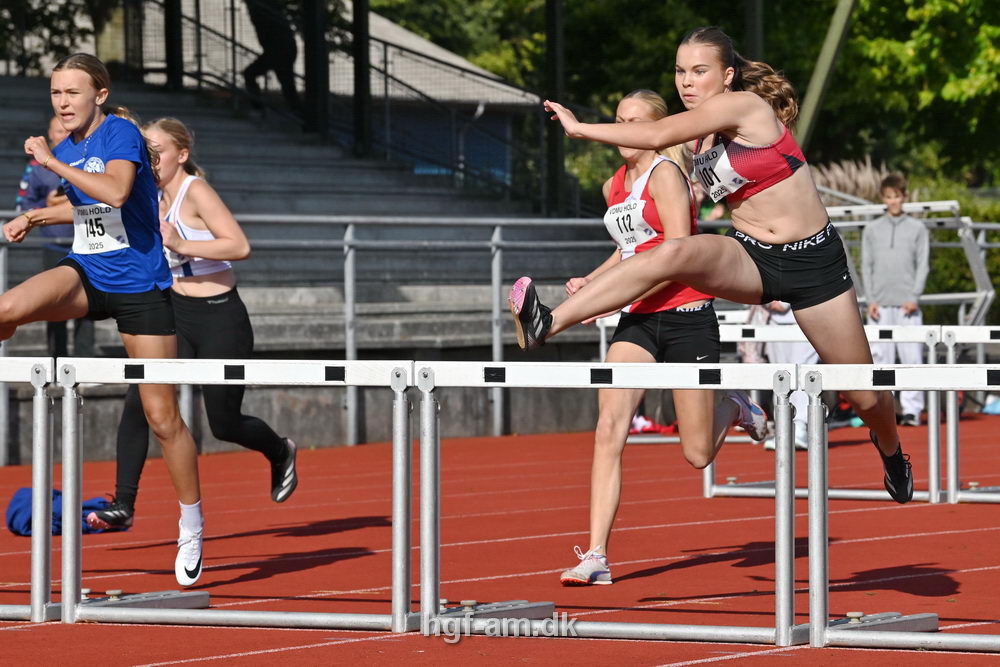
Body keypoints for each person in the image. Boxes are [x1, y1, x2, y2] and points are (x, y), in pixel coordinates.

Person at [508, 26, 913, 503]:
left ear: (726, 75)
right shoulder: (699, 136)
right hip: (752, 256)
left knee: (865, 396)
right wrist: (599, 280)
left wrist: (578, 129)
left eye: (699, 71)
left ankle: (890, 450)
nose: (687, 81)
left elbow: (656, 132)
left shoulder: (744, 107)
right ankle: (545, 322)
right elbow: (653, 159)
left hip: (813, 263)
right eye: (680, 71)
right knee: (673, 252)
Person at [2, 53, 206, 585]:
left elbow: (115, 191)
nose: (62, 102)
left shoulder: (119, 132)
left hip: (141, 287)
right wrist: (35, 213)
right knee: (6, 309)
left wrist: (50, 164)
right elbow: (89, 208)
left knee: (162, 418)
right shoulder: (69, 148)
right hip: (88, 273)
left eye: (72, 92)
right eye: (55, 94)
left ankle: (191, 522)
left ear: (99, 94)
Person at [558, 90, 766, 586]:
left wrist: (606, 298)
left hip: (686, 315)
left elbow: (675, 256)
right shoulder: (614, 184)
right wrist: (594, 281)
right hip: (638, 320)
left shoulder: (666, 175)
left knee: (696, 454)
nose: (623, 129)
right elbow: (631, 251)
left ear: (654, 129)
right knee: (609, 429)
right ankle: (596, 555)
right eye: (618, 119)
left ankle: (734, 407)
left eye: (633, 121)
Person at [87, 117, 298, 532]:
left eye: (157, 152)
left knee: (224, 423)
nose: (150, 160)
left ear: (181, 155)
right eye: (144, 153)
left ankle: (279, 450)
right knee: (140, 401)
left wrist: (182, 243)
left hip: (220, 315)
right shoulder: (145, 197)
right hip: (174, 315)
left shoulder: (194, 190)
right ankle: (123, 504)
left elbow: (239, 245)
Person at [14, 115, 95, 357]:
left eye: (65, 131)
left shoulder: (86, 161)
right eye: (57, 132)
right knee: (54, 305)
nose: (62, 136)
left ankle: (85, 363)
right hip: (54, 246)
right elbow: (23, 205)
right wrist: (48, 206)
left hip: (87, 244)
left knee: (90, 306)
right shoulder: (36, 169)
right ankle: (56, 361)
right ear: (49, 136)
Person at [862, 173, 929, 427]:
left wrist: (914, 296)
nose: (893, 202)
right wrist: (871, 300)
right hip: (879, 305)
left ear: (904, 197)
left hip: (907, 305)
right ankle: (885, 410)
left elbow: (923, 264)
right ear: (883, 198)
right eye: (889, 197)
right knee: (881, 360)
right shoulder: (872, 229)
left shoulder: (917, 229)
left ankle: (912, 410)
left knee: (912, 358)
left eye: (897, 197)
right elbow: (866, 267)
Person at [762, 300, 816, 450]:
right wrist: (767, 301)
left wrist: (784, 303)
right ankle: (783, 428)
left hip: (807, 314)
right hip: (774, 319)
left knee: (801, 371)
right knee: (780, 375)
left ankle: (800, 427)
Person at [243, 0, 303, 116]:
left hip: (278, 50)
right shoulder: (267, 8)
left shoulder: (261, 9)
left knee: (249, 74)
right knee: (288, 87)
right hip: (282, 49)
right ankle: (301, 114)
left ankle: (258, 108)